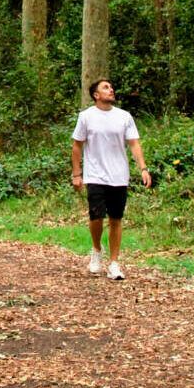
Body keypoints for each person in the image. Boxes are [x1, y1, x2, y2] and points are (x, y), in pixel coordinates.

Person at [71, 78, 150, 280]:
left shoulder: (124, 116)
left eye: (111, 87)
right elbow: (77, 146)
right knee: (96, 216)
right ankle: (96, 250)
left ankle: (114, 263)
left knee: (116, 219)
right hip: (95, 174)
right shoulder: (86, 116)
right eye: (105, 88)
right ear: (96, 95)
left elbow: (134, 143)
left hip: (119, 175)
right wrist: (77, 174)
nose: (111, 90)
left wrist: (143, 168)